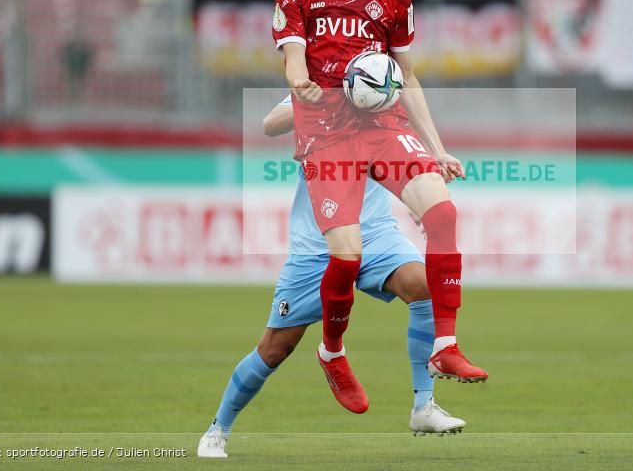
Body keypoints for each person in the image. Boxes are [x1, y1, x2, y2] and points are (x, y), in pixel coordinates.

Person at [272, 0, 487, 415]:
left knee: (442, 211)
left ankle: (445, 347)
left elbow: (407, 77)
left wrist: (437, 148)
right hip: (328, 133)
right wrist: (300, 84)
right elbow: (294, 57)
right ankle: (333, 351)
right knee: (346, 254)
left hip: (383, 125)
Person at [197, 96, 466, 458]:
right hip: (317, 243)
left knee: (423, 286)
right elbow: (271, 122)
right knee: (276, 348)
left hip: (374, 233)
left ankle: (423, 406)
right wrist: (331, 101)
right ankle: (218, 429)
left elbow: (399, 155)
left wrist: (420, 200)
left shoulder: (382, 91)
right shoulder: (320, 85)